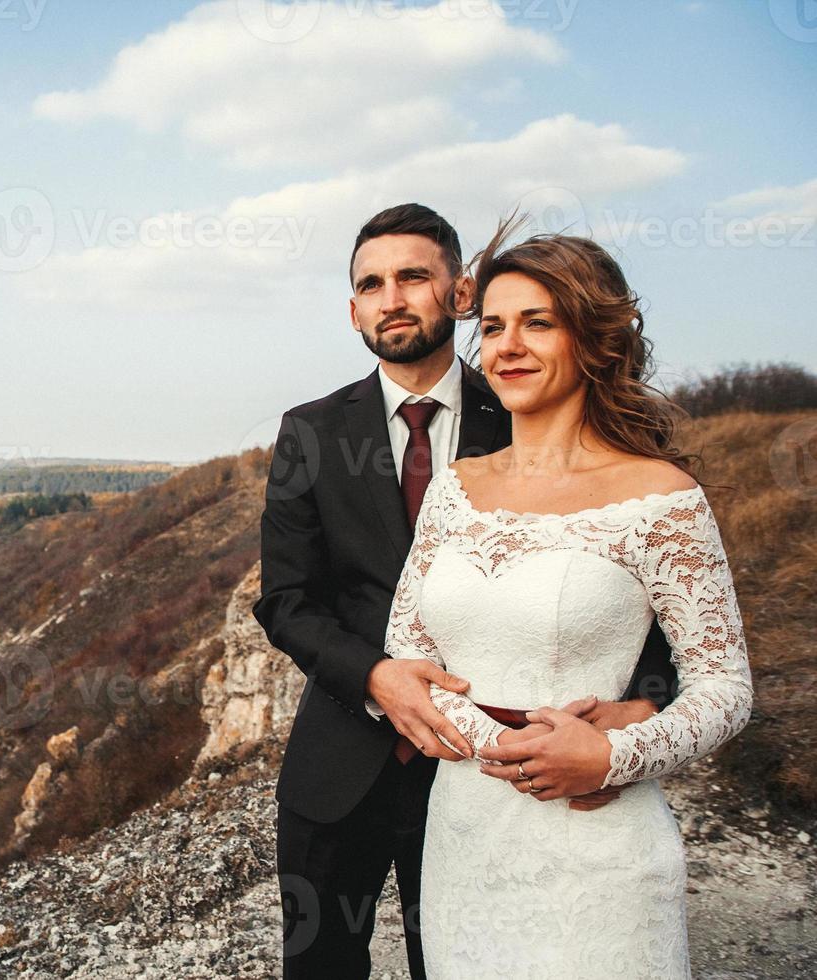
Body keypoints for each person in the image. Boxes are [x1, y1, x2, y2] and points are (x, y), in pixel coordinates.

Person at [252, 203, 679, 980]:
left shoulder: (528, 408)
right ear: (353, 309)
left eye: (413, 276)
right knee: (319, 968)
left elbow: (639, 603)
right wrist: (377, 677)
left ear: (460, 292)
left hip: (490, 779)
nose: (392, 298)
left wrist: (640, 709)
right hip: (339, 763)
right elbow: (285, 601)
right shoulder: (309, 432)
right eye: (371, 284)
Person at [383, 215, 755, 977]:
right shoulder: (455, 491)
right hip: (464, 836)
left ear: (592, 340)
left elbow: (725, 687)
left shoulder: (662, 498)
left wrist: (614, 753)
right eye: (491, 327)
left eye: (537, 323)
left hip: (598, 845)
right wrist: (505, 749)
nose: (507, 346)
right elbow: (410, 652)